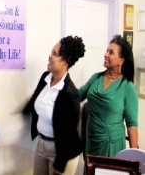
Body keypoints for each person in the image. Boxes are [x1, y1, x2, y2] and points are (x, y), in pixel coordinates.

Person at [23, 36, 86, 175]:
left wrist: (61, 164)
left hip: (62, 151)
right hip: (42, 144)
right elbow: (34, 100)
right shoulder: (46, 77)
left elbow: (68, 135)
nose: (49, 56)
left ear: (65, 61)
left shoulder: (70, 94)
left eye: (54, 54)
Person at [79, 34, 139, 158]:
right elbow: (77, 95)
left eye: (111, 52)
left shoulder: (128, 87)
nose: (105, 54)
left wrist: (135, 157)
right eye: (107, 51)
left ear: (121, 60)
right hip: (91, 141)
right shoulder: (96, 78)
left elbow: (132, 124)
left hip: (111, 144)